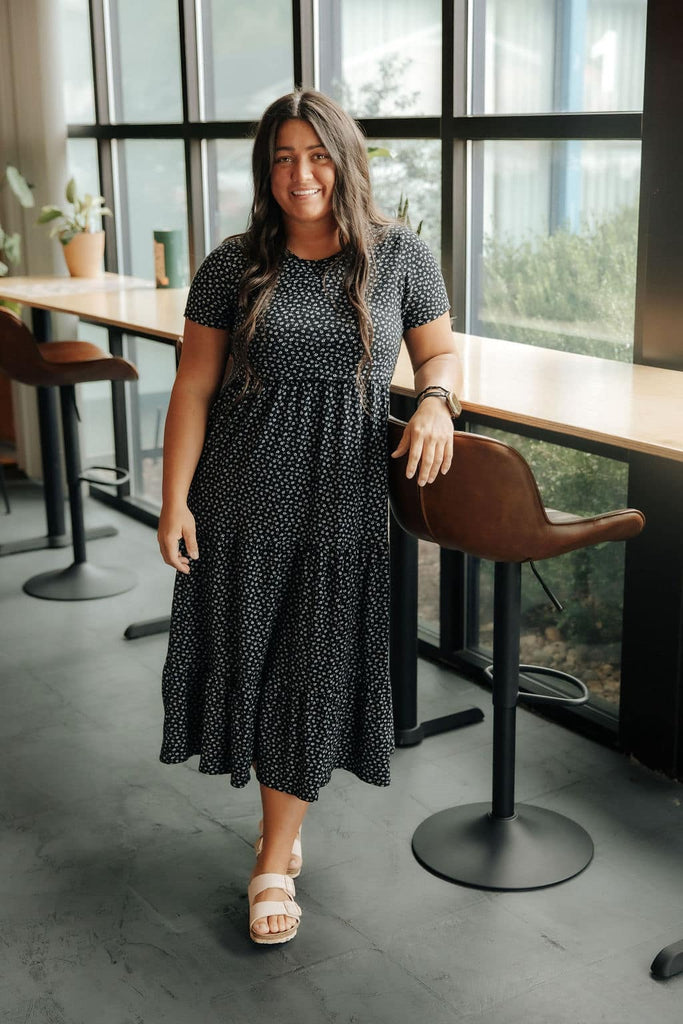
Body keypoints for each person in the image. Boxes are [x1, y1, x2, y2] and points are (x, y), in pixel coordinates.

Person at [157, 88, 463, 946]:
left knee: (309, 671)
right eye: (284, 157)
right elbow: (192, 386)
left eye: (317, 155)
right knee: (254, 666)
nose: (301, 174)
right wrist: (173, 498)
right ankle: (279, 833)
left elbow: (436, 347)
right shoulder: (232, 263)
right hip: (240, 500)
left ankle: (272, 854)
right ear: (266, 168)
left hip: (340, 506)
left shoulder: (399, 256)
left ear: (345, 158)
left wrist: (435, 400)